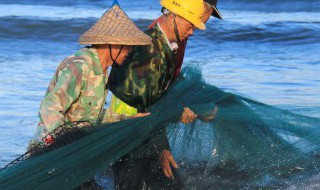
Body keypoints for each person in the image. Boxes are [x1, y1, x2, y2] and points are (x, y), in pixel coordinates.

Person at [26, 3, 151, 189]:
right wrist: (62, 143)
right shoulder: (79, 66)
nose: (130, 53)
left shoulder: (102, 73)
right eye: (128, 48)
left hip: (75, 156)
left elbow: (93, 118)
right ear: (113, 44)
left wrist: (128, 119)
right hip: (50, 156)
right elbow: (50, 106)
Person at [107, 0, 210, 189]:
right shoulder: (149, 50)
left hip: (143, 133)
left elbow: (157, 98)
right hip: (129, 137)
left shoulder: (165, 46)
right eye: (190, 25)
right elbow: (145, 107)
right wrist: (162, 149)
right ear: (175, 17)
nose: (192, 32)